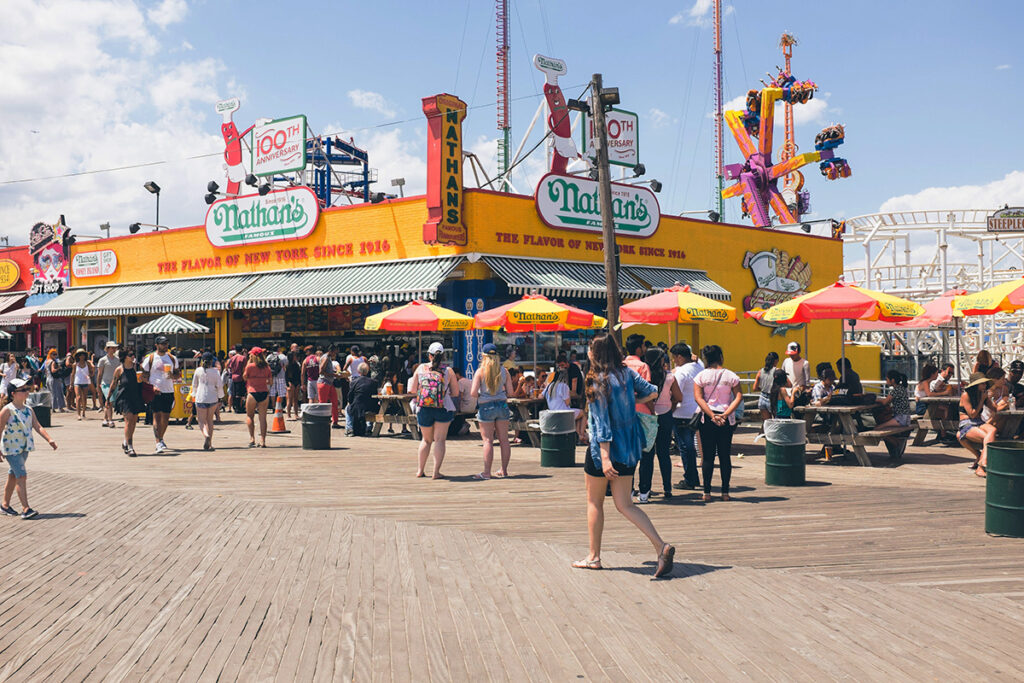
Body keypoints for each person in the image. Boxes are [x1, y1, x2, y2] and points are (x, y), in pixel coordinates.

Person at [575, 333, 674, 577]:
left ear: (596, 353)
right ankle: (660, 547)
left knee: (594, 502)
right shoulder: (627, 374)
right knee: (626, 505)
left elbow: (601, 424)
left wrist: (605, 457)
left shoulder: (596, 381)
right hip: (630, 448)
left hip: (604, 451)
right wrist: (632, 400)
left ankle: (594, 557)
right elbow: (652, 391)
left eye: (590, 348)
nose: (588, 351)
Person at [0, 379, 57, 519]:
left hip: (24, 447)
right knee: (21, 476)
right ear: (13, 393)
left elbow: (37, 426)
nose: (27, 392)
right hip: (11, 449)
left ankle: (5, 505)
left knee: (13, 475)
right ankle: (26, 508)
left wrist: (49, 439)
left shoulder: (29, 409)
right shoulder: (7, 410)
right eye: (23, 390)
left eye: (27, 389)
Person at [693, 344, 743, 502]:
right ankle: (725, 492)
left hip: (707, 417)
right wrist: (725, 414)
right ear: (721, 356)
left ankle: (706, 492)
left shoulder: (701, 376)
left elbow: (698, 398)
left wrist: (712, 415)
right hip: (726, 418)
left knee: (707, 456)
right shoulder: (731, 376)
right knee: (724, 455)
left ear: (706, 358)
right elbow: (738, 397)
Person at [637, 347, 682, 503]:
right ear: (661, 360)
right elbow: (679, 396)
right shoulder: (669, 377)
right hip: (665, 416)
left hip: (648, 417)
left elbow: (643, 396)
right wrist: (671, 406)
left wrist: (652, 409)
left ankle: (645, 489)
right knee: (664, 453)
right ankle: (667, 488)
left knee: (646, 455)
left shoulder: (645, 377)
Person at [411, 342, 459, 479]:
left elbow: (413, 390)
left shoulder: (421, 368)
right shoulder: (448, 371)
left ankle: (420, 470)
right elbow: (455, 393)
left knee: (426, 440)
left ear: (429, 355)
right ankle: (436, 472)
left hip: (424, 408)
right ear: (443, 356)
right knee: (439, 440)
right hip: (443, 407)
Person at [471, 344, 515, 479]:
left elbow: (473, 393)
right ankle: (504, 470)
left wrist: (483, 395)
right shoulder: (504, 371)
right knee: (504, 440)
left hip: (486, 406)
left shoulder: (480, 371)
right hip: (502, 406)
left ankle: (486, 472)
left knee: (488, 441)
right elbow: (511, 392)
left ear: (484, 356)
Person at [670, 343, 703, 491]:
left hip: (681, 413)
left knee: (685, 447)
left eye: (674, 358)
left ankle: (690, 478)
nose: (673, 361)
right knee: (690, 446)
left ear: (680, 357)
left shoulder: (681, 372)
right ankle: (693, 477)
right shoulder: (699, 367)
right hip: (697, 412)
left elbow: (677, 394)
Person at [140, 336, 178, 453]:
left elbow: (178, 374)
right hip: (155, 391)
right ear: (156, 345)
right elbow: (143, 375)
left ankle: (161, 438)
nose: (165, 346)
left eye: (166, 343)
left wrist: (173, 376)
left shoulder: (172, 358)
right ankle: (158, 441)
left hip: (169, 390)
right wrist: (151, 385)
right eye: (163, 344)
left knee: (166, 418)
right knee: (156, 416)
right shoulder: (150, 358)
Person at [959, 372, 997, 475]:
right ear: (976, 384)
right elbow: (972, 415)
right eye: (983, 384)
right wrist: (982, 400)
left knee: (993, 430)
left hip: (979, 422)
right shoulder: (966, 395)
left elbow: (994, 408)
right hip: (967, 423)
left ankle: (981, 462)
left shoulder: (982, 394)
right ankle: (981, 466)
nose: (985, 385)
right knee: (987, 438)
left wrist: (991, 397)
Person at [542, 359, 587, 445]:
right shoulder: (564, 386)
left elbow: (541, 395)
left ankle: (578, 434)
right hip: (564, 413)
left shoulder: (549, 386)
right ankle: (581, 434)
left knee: (578, 414)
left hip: (552, 413)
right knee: (583, 413)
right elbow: (567, 402)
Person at [111, 349, 144, 456]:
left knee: (134, 421)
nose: (133, 356)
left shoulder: (137, 368)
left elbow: (145, 378)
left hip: (135, 396)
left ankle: (125, 441)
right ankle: (130, 447)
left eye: (134, 354)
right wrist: (108, 398)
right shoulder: (119, 370)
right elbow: (114, 383)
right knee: (129, 421)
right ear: (125, 357)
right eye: (131, 355)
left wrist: (143, 377)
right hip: (124, 397)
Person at [875, 370, 912, 462]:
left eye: (887, 379)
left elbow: (885, 402)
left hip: (901, 419)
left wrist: (875, 399)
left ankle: (896, 442)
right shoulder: (902, 388)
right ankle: (895, 443)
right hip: (906, 418)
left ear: (892, 380)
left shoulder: (895, 390)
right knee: (881, 427)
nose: (886, 381)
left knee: (878, 428)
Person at [191, 352, 223, 451]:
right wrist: (220, 396)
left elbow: (194, 385)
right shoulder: (216, 371)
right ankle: (210, 443)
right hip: (213, 397)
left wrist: (193, 395)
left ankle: (206, 435)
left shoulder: (198, 370)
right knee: (210, 420)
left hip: (201, 397)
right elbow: (219, 385)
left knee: (201, 420)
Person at [243, 347, 272, 448]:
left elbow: (245, 377)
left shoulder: (250, 366)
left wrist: (249, 362)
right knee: (263, 418)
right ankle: (263, 440)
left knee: (250, 416)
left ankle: (252, 438)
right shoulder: (267, 367)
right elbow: (270, 382)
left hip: (252, 392)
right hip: (264, 393)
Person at [346, 363, 379, 437]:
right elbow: (375, 396)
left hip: (357, 405)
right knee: (373, 408)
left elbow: (350, 395)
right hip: (371, 406)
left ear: (358, 371)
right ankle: (369, 428)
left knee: (347, 408)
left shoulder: (354, 382)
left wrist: (350, 402)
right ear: (367, 371)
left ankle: (349, 429)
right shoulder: (374, 382)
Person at [623, 334, 652, 415]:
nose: (645, 349)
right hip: (640, 411)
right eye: (643, 346)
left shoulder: (620, 365)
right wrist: (653, 411)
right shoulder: (643, 366)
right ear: (638, 349)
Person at [96, 341, 121, 428]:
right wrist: (98, 385)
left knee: (109, 402)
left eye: (115, 348)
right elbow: (99, 373)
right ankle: (110, 420)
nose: (114, 349)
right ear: (107, 349)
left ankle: (105, 419)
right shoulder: (102, 360)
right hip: (105, 384)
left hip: (115, 383)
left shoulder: (118, 359)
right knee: (109, 401)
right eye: (112, 347)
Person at [317, 345, 342, 429]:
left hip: (329, 383)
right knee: (323, 403)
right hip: (324, 383)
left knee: (335, 402)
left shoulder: (328, 358)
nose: (336, 354)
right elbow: (321, 371)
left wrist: (335, 373)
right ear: (331, 351)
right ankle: (321, 422)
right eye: (335, 352)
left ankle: (335, 422)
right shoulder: (326, 358)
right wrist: (333, 374)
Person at [755, 352, 780, 420]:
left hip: (762, 398)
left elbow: (754, 388)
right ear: (776, 361)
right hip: (773, 398)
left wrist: (763, 387)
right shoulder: (778, 371)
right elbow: (789, 384)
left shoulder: (760, 371)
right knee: (776, 422)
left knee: (767, 422)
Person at [71, 348, 94, 421]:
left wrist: (91, 374)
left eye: (83, 355)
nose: (82, 356)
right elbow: (73, 374)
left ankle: (83, 411)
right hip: (77, 382)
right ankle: (78, 414)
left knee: (84, 397)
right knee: (78, 397)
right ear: (78, 356)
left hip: (85, 382)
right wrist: (71, 384)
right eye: (80, 355)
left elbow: (91, 371)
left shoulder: (87, 363)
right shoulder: (75, 364)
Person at [226, 344, 247, 413]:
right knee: (240, 394)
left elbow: (228, 367)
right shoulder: (243, 358)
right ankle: (239, 408)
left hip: (233, 377)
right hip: (240, 377)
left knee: (234, 393)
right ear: (242, 350)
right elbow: (244, 369)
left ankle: (235, 407)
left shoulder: (232, 358)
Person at [267, 344, 288, 411]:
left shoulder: (269, 356)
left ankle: (273, 406)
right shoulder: (282, 356)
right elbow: (286, 364)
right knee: (281, 391)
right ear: (279, 349)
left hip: (272, 376)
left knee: (272, 391)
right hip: (281, 375)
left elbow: (266, 365)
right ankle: (279, 406)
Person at [285, 351, 302, 419]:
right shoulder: (288, 365)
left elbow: (299, 374)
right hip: (291, 382)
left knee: (295, 399)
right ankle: (288, 415)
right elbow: (286, 376)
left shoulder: (296, 364)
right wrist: (288, 384)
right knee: (289, 399)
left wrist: (299, 383)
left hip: (296, 382)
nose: (296, 357)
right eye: (294, 355)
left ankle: (296, 414)